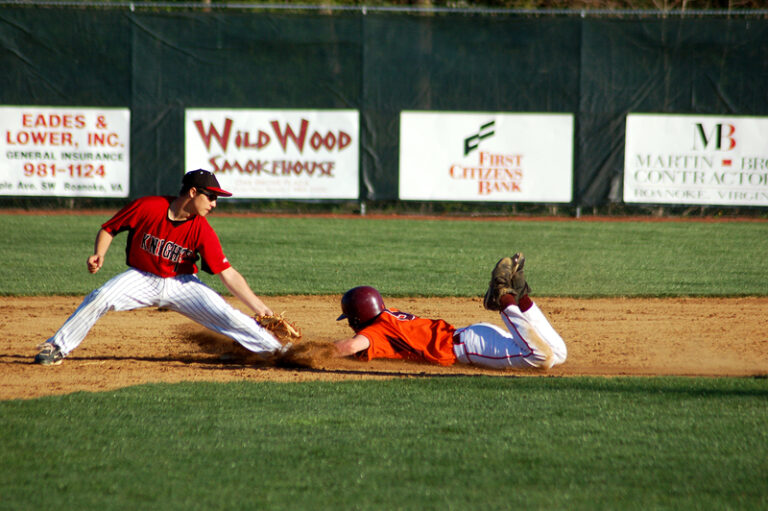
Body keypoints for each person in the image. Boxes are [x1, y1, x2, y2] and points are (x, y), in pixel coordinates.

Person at [34, 169, 285, 366]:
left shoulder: (202, 229)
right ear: (193, 192)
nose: (214, 203)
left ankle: (283, 353)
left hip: (182, 284)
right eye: (211, 196)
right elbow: (109, 228)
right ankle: (57, 346)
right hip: (142, 278)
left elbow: (227, 273)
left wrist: (260, 308)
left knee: (229, 317)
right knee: (101, 296)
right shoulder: (148, 207)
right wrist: (99, 253)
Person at [334, 253, 566, 370]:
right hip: (475, 336)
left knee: (540, 357)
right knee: (558, 354)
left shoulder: (377, 330)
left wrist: (299, 353)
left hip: (470, 347)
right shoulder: (389, 315)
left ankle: (503, 296)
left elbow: (351, 346)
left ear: (357, 317)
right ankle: (521, 298)